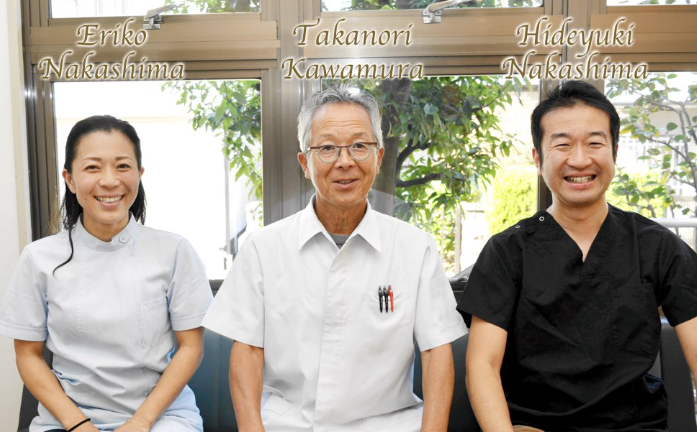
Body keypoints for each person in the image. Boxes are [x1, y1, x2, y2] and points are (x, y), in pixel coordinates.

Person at [202, 86, 467, 431]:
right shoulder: (263, 248)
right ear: (305, 163)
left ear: (378, 157)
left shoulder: (415, 248)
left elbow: (435, 352)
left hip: (388, 425)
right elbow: (248, 352)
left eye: (359, 146)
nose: (345, 161)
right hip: (289, 424)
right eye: (327, 148)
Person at [458, 80, 697, 432]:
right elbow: (482, 365)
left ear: (615, 151)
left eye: (595, 143)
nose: (580, 159)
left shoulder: (657, 246)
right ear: (538, 158)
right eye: (562, 144)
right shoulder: (508, 251)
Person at [0, 115, 213, 432]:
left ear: (139, 175)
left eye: (123, 166)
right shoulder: (38, 258)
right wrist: (78, 424)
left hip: (161, 417)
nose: (110, 180)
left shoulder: (175, 251)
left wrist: (140, 422)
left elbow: (191, 348)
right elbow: (28, 355)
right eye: (92, 167)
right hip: (66, 419)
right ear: (70, 179)